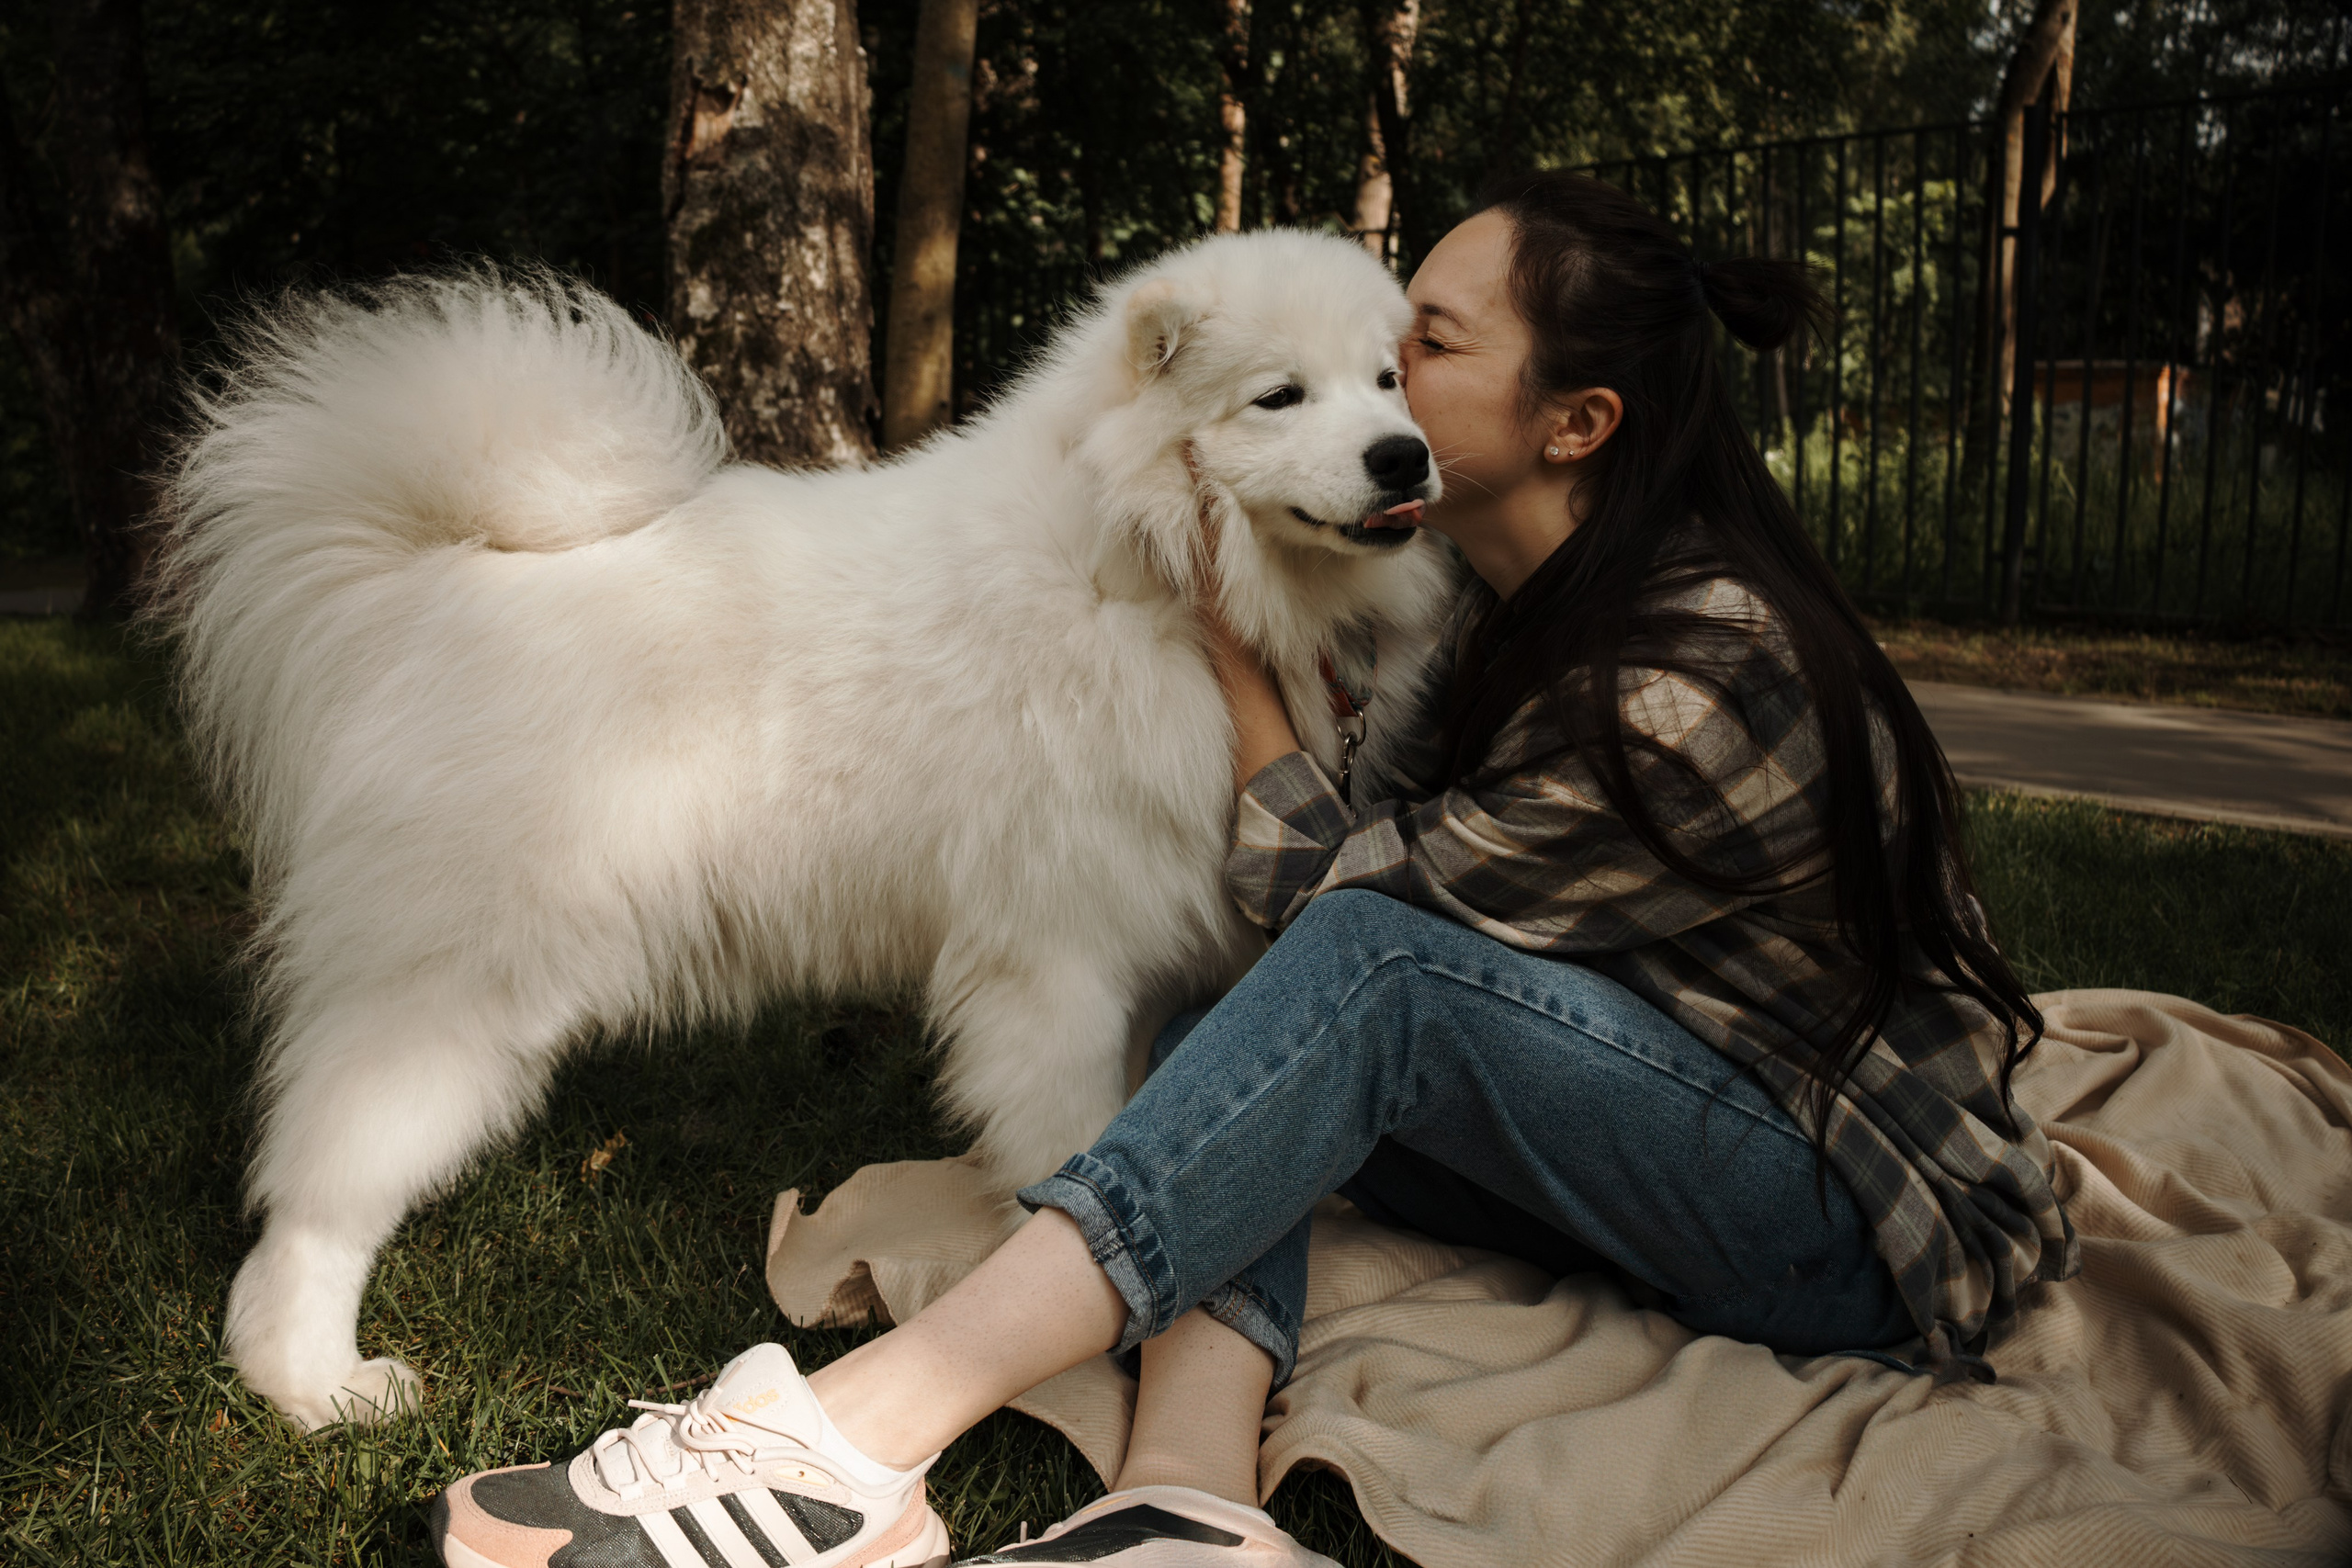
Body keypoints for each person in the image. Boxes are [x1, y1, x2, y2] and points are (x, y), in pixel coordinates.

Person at [428, 174, 2077, 1568]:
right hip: (1626, 1106)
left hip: (1830, 1220)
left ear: (1575, 421)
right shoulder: (1499, 608)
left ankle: (858, 1444)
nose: (1383, 374)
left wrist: (1233, 680)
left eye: (1424, 344)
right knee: (1206, 1014)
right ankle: (1190, 1497)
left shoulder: (1694, 672)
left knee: (1357, 971)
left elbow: (1352, 922)